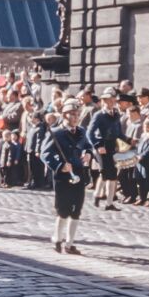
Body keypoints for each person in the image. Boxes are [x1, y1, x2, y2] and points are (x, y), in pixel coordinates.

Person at [41, 99, 91, 254]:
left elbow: (88, 146)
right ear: (64, 115)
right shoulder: (56, 133)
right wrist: (59, 166)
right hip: (63, 176)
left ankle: (69, 243)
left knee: (77, 209)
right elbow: (45, 153)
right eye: (71, 114)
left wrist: (88, 154)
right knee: (63, 209)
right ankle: (57, 238)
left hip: (79, 173)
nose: (75, 117)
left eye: (77, 114)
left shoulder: (82, 132)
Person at [87, 87, 130, 211]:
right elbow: (90, 133)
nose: (109, 103)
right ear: (103, 101)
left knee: (109, 175)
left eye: (111, 100)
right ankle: (108, 202)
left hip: (112, 147)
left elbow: (118, 133)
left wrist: (128, 139)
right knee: (108, 174)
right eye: (106, 100)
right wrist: (97, 146)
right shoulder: (99, 115)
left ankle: (103, 199)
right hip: (101, 147)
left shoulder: (116, 114)